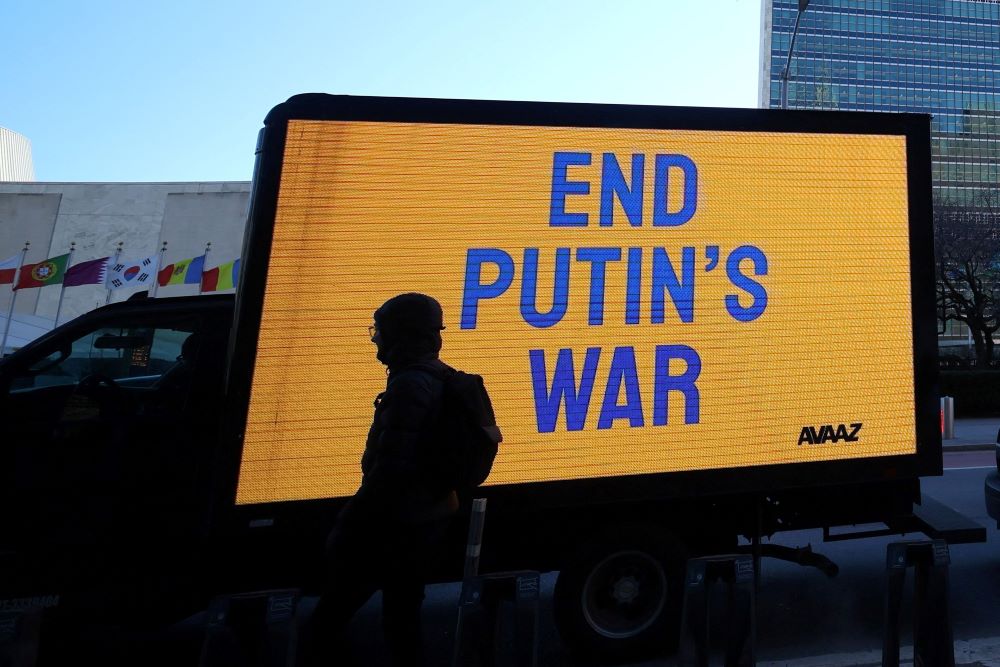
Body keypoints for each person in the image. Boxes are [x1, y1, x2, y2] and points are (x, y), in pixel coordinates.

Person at [305, 293, 459, 667]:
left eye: (380, 331)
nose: (375, 339)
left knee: (326, 626)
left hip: (393, 527)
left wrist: (348, 524)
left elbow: (390, 470)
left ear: (401, 335)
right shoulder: (440, 379)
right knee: (402, 623)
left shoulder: (410, 387)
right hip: (424, 520)